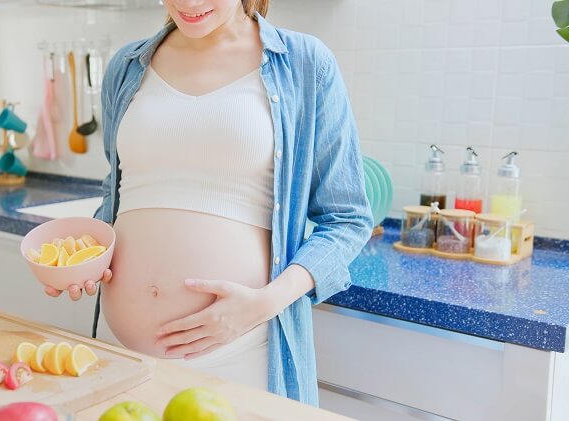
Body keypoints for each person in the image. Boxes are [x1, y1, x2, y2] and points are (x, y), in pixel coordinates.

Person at [43, 0, 372, 405]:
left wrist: (262, 305)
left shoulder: (305, 65)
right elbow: (119, 192)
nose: (189, 3)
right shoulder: (126, 67)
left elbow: (347, 219)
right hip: (120, 355)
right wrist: (86, 260)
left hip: (242, 353)